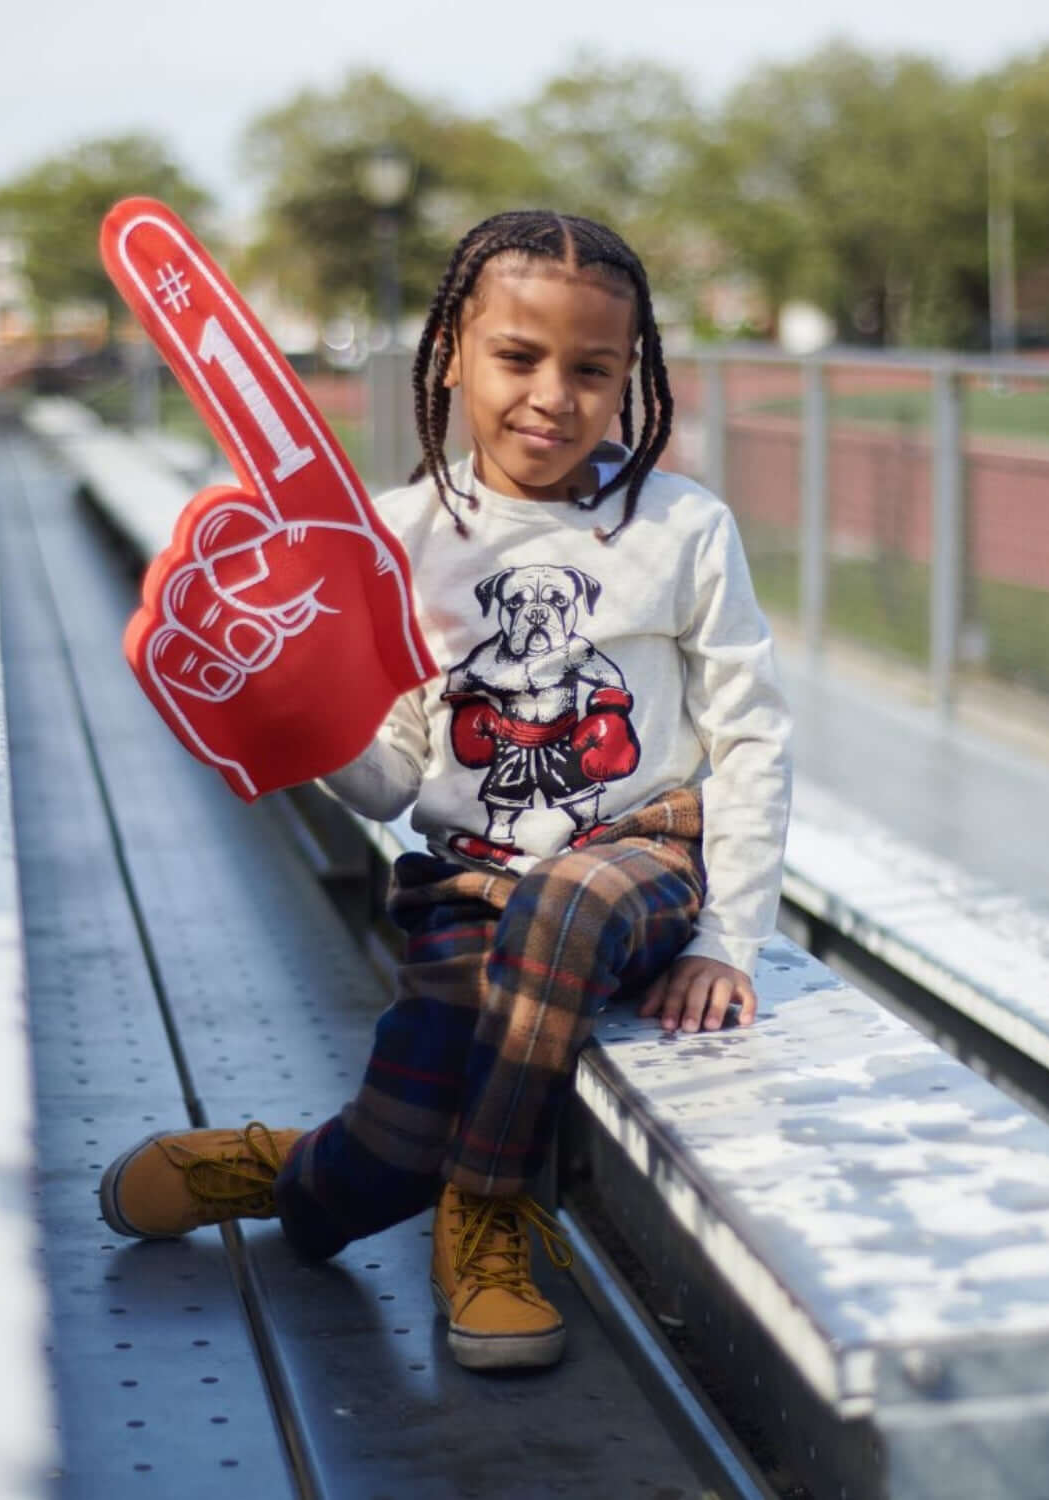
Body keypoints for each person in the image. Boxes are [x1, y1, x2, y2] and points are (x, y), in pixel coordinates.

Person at [99, 210, 792, 1372]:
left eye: (592, 370)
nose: (554, 396)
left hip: (639, 865)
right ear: (451, 359)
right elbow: (397, 779)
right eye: (520, 358)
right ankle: (278, 1169)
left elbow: (755, 736)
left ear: (632, 377)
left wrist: (728, 935)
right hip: (468, 890)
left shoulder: (682, 528)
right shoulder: (399, 537)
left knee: (568, 902)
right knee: (383, 1159)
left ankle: (486, 1221)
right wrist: (299, 717)